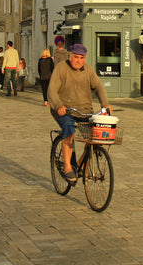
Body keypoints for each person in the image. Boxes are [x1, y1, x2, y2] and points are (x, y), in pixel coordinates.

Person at [48, 44, 111, 182]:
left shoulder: (88, 69)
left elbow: (98, 87)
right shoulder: (61, 68)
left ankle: (80, 165)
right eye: (75, 57)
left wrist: (104, 104)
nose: (78, 60)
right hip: (65, 110)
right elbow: (51, 90)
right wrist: (59, 105)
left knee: (96, 136)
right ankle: (67, 167)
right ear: (70, 56)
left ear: (85, 59)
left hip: (84, 111)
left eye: (81, 58)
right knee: (69, 132)